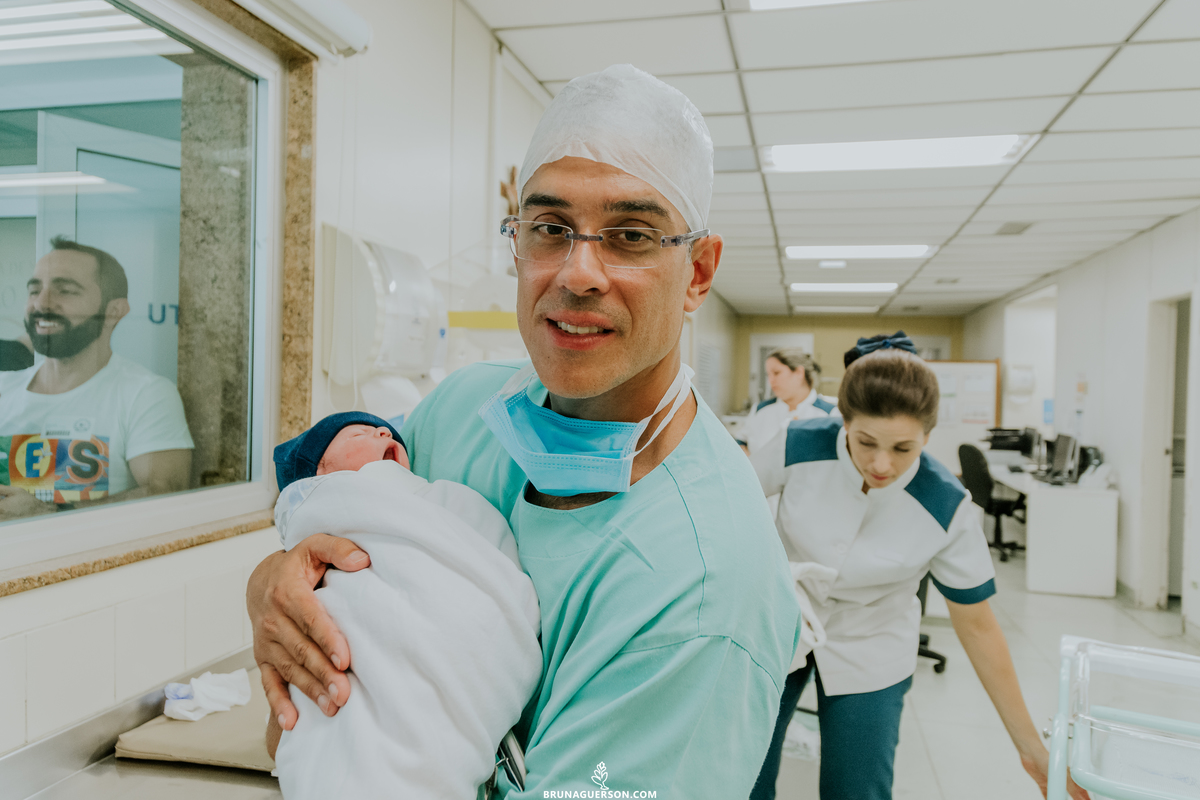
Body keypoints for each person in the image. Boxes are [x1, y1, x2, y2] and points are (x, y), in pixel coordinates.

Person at [248, 64, 801, 798]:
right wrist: (272, 586)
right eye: (550, 228)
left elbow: (602, 782)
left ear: (697, 271)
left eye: (630, 235)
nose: (577, 272)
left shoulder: (699, 595)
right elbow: (347, 529)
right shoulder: (460, 411)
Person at [748, 333, 1088, 800]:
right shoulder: (799, 444)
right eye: (865, 442)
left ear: (928, 436)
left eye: (904, 449)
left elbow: (978, 627)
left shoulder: (944, 503)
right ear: (843, 420)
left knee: (858, 788)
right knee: (741, 771)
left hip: (874, 641)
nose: (881, 464)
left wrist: (1031, 748)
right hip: (779, 619)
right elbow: (727, 508)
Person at [268, 412, 540, 799]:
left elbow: (490, 556)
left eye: (384, 430)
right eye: (359, 433)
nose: (383, 431)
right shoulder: (328, 504)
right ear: (319, 473)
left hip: (459, 641)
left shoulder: (440, 498)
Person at [0, 236, 193, 518]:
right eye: (34, 290)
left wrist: (48, 513)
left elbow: (165, 494)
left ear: (114, 311)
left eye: (66, 290)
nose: (42, 303)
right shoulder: (4, 389)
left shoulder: (145, 394)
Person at [738, 348, 836, 456]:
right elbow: (741, 440)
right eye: (768, 375)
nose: (771, 380)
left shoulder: (828, 414)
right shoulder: (760, 409)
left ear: (799, 372)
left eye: (776, 373)